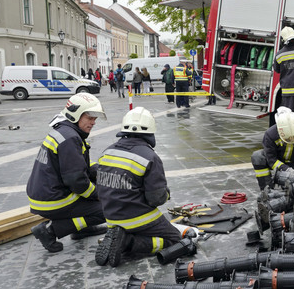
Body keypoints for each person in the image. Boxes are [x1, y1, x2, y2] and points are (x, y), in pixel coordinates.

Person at [94, 107, 181, 267]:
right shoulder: (149, 157)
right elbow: (156, 199)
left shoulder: (108, 152)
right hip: (137, 217)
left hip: (111, 217)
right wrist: (166, 194)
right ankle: (127, 242)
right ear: (150, 132)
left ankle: (118, 236)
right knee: (174, 239)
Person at [27, 93, 108, 253]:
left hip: (45, 193)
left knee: (94, 198)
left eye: (95, 118)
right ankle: (50, 231)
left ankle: (81, 230)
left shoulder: (65, 130)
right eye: (90, 117)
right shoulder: (70, 138)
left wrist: (101, 170)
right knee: (107, 207)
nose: (93, 122)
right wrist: (99, 194)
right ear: (76, 115)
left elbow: (77, 165)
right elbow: (77, 181)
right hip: (54, 199)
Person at [251, 106, 294, 190]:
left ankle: (286, 183)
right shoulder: (270, 135)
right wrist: (285, 169)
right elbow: (271, 159)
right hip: (278, 161)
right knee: (257, 156)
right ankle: (267, 190)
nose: (291, 141)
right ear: (279, 130)